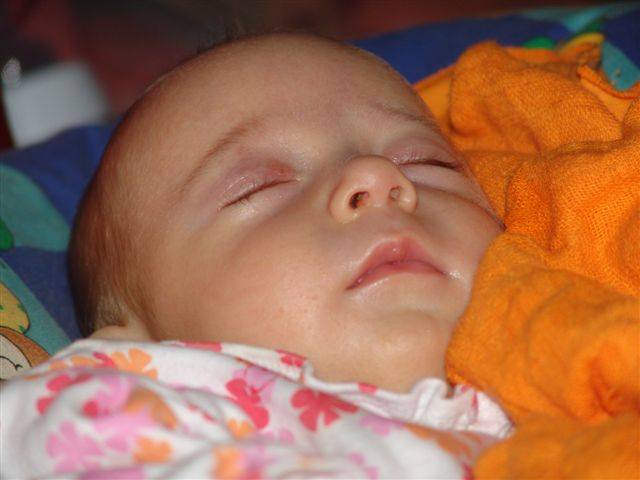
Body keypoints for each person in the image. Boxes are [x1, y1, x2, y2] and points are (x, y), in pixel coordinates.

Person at [0, 33, 509, 478]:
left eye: (425, 161)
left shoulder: (552, 357)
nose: (376, 176)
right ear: (136, 351)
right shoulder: (113, 410)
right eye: (259, 186)